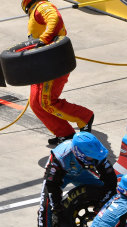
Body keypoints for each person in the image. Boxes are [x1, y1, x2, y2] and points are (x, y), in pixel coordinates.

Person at [38, 132, 117, 227]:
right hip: (59, 176)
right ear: (80, 154)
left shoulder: (97, 153)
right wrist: (56, 209)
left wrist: (103, 200)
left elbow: (111, 181)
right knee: (45, 210)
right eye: (91, 157)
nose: (95, 159)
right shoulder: (60, 157)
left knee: (116, 197)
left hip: (81, 173)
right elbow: (52, 186)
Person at [21, 0, 94, 146]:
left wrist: (44, 40)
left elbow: (56, 19)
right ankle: (65, 134)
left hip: (54, 62)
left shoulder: (42, 6)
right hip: (41, 64)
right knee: (36, 103)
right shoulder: (35, 9)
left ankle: (84, 117)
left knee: (47, 102)